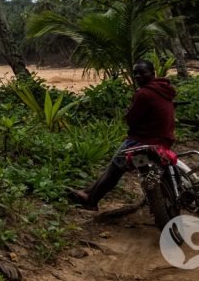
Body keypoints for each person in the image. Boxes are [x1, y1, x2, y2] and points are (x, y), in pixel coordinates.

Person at [69, 60, 177, 210]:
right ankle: (89, 192)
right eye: (135, 74)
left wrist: (128, 113)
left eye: (142, 73)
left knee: (116, 166)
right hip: (165, 140)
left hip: (143, 141)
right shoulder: (165, 89)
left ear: (152, 73)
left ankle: (91, 199)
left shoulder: (144, 93)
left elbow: (131, 120)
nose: (138, 76)